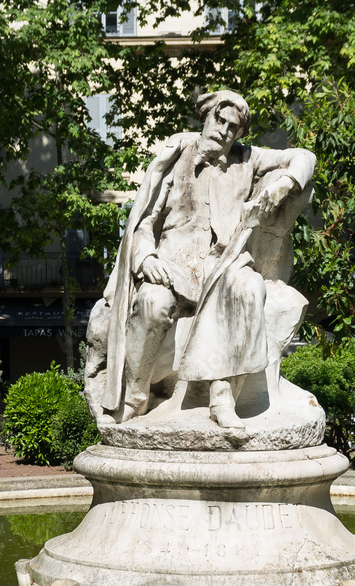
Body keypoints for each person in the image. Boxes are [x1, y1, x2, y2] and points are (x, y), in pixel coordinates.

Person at [86, 90, 316, 429]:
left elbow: (304, 156)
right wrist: (146, 257)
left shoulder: (248, 159)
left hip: (222, 264)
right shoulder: (175, 157)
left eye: (232, 127)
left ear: (239, 134)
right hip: (172, 265)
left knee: (249, 287)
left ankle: (222, 398)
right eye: (219, 120)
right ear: (205, 119)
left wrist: (284, 184)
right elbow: (143, 222)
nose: (223, 130)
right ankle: (135, 399)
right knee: (151, 304)